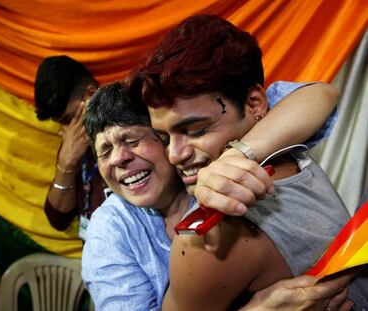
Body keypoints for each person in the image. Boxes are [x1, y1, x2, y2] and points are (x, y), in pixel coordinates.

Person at [130, 14, 368, 309]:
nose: (175, 154)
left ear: (256, 104)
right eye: (164, 138)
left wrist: (236, 156)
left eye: (196, 131)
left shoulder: (206, 242)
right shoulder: (287, 148)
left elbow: (321, 93)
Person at [81, 82, 354, 310]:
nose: (119, 158)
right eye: (104, 151)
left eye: (132, 140)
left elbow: (318, 95)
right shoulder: (109, 232)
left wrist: (236, 155)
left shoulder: (205, 160)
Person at [34, 55, 107, 239]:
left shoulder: (129, 134)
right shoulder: (74, 144)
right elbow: (58, 218)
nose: (66, 132)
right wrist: (66, 163)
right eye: (61, 123)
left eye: (70, 118)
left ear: (91, 93)